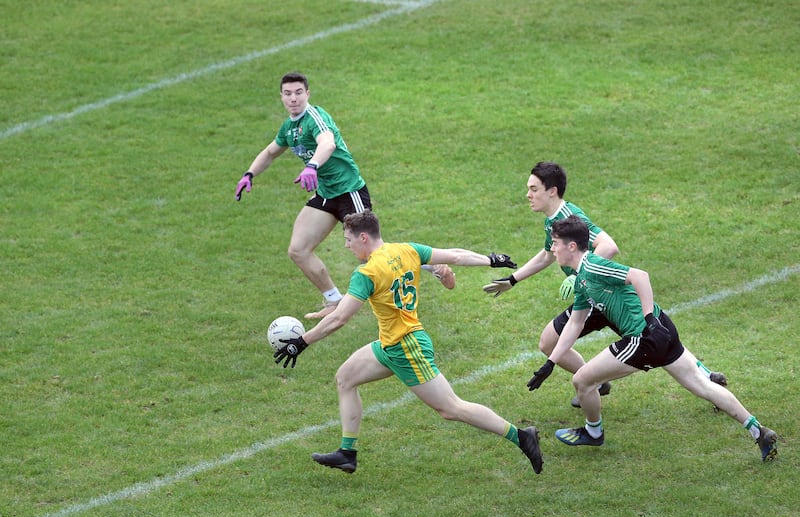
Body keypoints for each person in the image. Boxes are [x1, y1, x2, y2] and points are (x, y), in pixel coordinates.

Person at [272, 210, 543, 474]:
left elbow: (339, 318)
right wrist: (491, 259)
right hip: (390, 344)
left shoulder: (366, 273)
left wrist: (302, 342)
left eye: (348, 239)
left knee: (451, 408)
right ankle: (347, 453)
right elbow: (457, 255)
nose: (346, 245)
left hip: (407, 348)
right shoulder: (407, 250)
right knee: (345, 378)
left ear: (364, 237)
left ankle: (521, 436)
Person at [483, 162, 726, 407]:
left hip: (603, 295)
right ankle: (596, 383)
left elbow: (609, 245)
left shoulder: (570, 217)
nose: (528, 194)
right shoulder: (553, 220)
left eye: (534, 189)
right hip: (591, 296)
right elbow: (547, 254)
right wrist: (513, 280)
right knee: (550, 342)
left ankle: (706, 381)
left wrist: (580, 275)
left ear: (552, 191)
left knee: (654, 341)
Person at [542, 215, 777, 462]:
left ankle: (593, 432)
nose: (552, 248)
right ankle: (758, 431)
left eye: (555, 243)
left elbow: (639, 276)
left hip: (644, 337)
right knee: (700, 383)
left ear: (571, 246)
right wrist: (550, 362)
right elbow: (576, 323)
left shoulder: (592, 265)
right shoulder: (581, 279)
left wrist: (648, 320)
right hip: (663, 326)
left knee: (582, 381)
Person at [234, 72, 454, 319]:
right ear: (281, 97)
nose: (293, 98)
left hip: (349, 191)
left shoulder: (315, 117)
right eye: (288, 93)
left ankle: (433, 264)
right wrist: (249, 173)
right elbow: (271, 152)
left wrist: (312, 166)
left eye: (298, 92)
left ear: (307, 94)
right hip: (327, 194)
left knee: (374, 253)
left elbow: (327, 143)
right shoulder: (289, 127)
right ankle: (333, 301)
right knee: (298, 249)